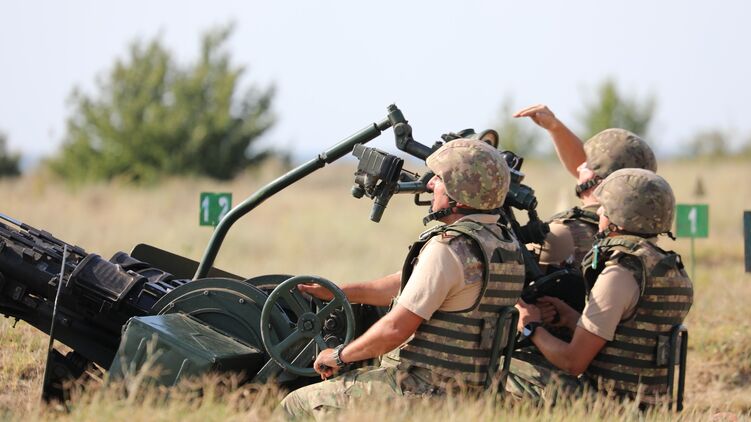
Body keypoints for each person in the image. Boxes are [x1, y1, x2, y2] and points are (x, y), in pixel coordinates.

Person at [280, 139, 526, 419]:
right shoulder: (505, 246)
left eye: (439, 179)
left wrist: (338, 356)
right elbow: (404, 284)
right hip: (474, 394)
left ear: (459, 194)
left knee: (296, 404)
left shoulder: (449, 249)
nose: (430, 184)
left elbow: (394, 329)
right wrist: (336, 292)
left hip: (422, 391)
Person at [512, 168, 693, 406]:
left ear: (619, 216)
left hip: (609, 408)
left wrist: (529, 326)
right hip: (652, 407)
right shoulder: (671, 269)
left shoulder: (620, 273)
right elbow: (631, 340)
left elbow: (572, 362)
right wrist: (571, 318)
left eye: (605, 208)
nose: (598, 213)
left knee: (510, 366)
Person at [514, 104, 658, 269]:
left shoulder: (561, 234)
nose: (578, 168)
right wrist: (555, 128)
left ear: (600, 181)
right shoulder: (642, 235)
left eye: (588, 164)